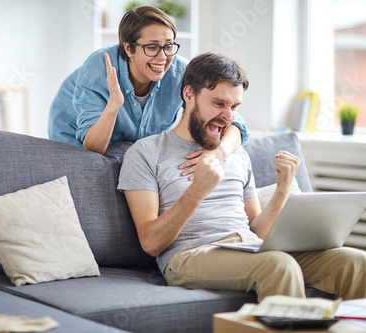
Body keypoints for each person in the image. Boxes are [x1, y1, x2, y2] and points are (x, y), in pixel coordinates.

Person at [117, 52, 366, 302]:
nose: (228, 116)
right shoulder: (147, 152)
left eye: (234, 107)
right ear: (189, 94)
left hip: (248, 246)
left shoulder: (236, 154)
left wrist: (282, 190)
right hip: (190, 254)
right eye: (218, 104)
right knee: (278, 265)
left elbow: (258, 230)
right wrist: (197, 191)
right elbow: (150, 243)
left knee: (356, 262)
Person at [48, 6, 249, 176]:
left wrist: (219, 153)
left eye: (169, 46)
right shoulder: (98, 69)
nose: (162, 57)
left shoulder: (181, 71)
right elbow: (93, 147)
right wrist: (113, 106)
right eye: (152, 47)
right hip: (76, 136)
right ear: (129, 49)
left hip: (133, 144)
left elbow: (234, 122)